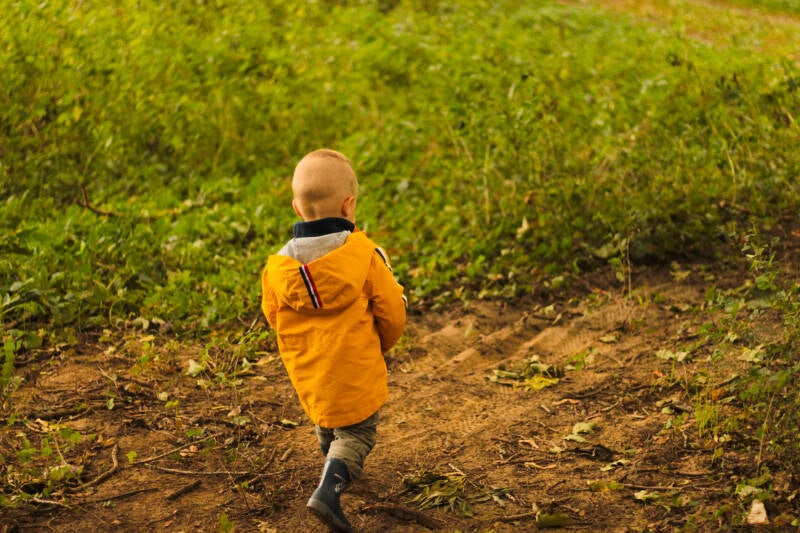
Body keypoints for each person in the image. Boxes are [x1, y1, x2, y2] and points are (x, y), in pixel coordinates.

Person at [261, 148, 407, 532]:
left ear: (297, 208)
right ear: (348, 205)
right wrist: (382, 344)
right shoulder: (365, 255)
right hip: (355, 370)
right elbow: (392, 310)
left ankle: (332, 458)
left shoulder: (278, 268)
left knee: (327, 418)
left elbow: (273, 317)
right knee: (358, 431)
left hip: (310, 372)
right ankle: (331, 487)